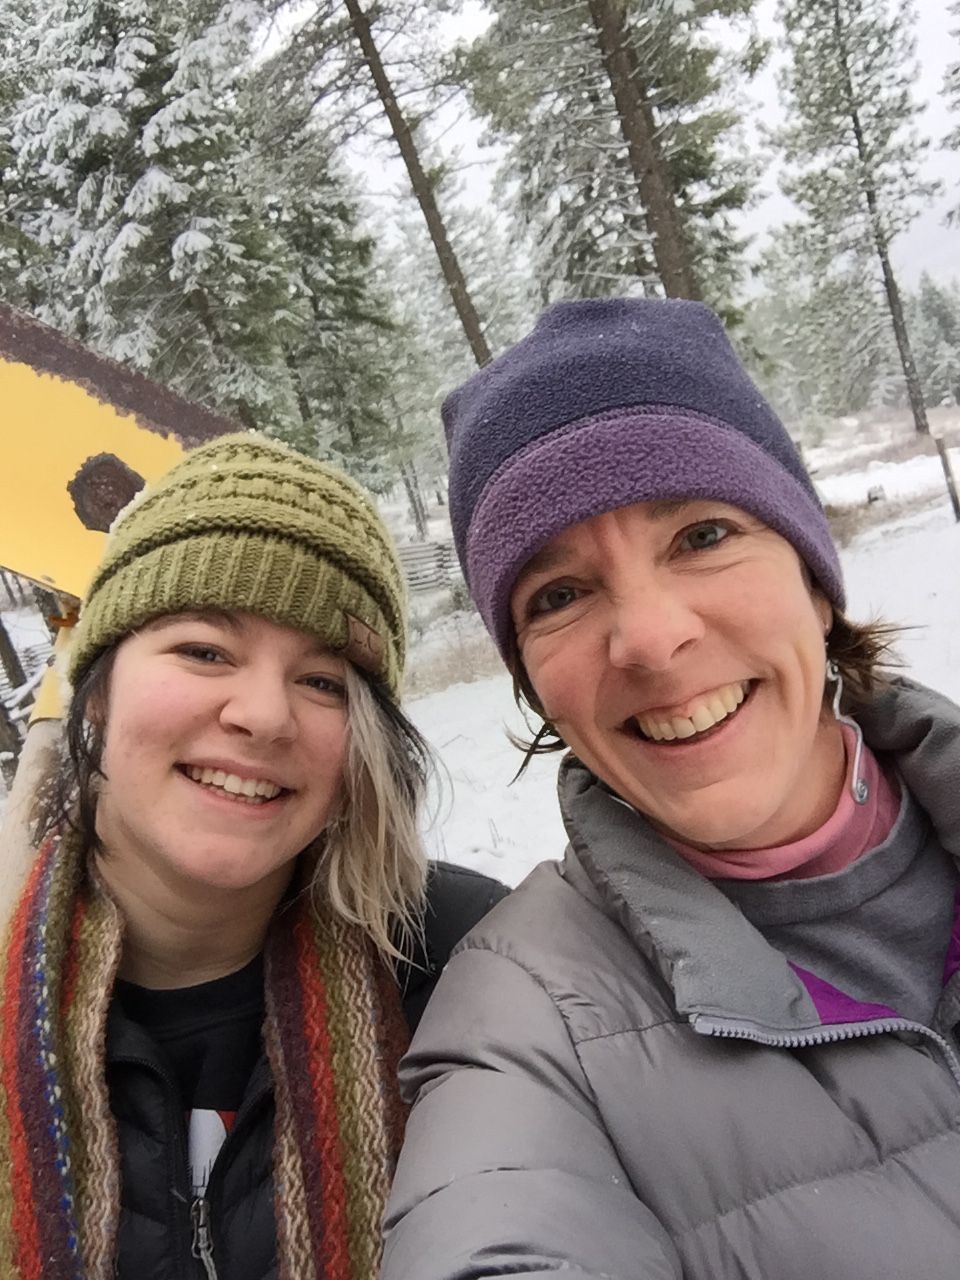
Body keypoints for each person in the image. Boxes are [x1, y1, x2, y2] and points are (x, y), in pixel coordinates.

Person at [381, 298, 960, 1280]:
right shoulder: (525, 1024)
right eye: (559, 594)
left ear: (815, 579)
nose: (650, 638)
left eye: (702, 534)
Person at [0, 433, 506, 1280]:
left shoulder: (475, 968)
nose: (265, 716)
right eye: (204, 651)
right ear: (97, 696)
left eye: (323, 682)